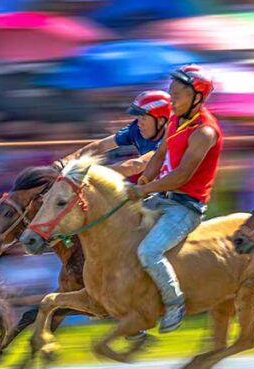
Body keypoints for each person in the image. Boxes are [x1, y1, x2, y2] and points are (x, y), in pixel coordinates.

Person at [126, 65, 223, 332]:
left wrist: (144, 191)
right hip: (161, 197)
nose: (172, 98)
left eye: (178, 94)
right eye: (171, 92)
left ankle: (174, 303)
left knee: (149, 251)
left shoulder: (205, 132)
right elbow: (160, 155)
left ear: (198, 97)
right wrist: (145, 179)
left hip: (186, 208)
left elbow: (181, 176)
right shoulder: (176, 118)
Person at [56, 89, 172, 177]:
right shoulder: (135, 128)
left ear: (161, 120)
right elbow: (100, 146)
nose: (139, 123)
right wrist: (65, 161)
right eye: (138, 117)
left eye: (144, 118)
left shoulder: (169, 138)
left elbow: (136, 165)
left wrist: (88, 174)